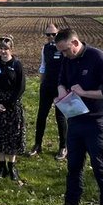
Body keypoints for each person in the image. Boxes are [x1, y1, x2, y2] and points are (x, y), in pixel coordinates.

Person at [50, 28, 103, 205]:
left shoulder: (97, 57)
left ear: (75, 43)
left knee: (100, 165)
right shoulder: (67, 60)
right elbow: (61, 81)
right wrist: (61, 92)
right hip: (75, 119)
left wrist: (85, 93)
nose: (64, 55)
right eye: (61, 52)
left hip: (96, 121)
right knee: (73, 165)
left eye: (66, 50)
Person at [0, 35, 26, 181]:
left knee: (13, 135)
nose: (3, 51)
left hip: (12, 106)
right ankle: (1, 166)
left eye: (6, 49)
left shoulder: (17, 65)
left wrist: (8, 104)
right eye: (1, 48)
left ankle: (12, 166)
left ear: (11, 49)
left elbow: (21, 87)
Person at [28, 22, 67, 160]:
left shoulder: (64, 48)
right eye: (48, 34)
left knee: (60, 117)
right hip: (47, 86)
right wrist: (42, 81)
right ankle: (37, 145)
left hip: (61, 87)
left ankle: (63, 147)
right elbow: (43, 66)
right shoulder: (45, 48)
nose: (50, 37)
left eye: (53, 34)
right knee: (41, 116)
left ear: (58, 34)